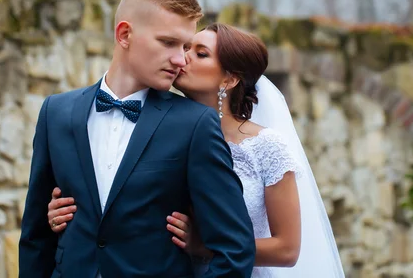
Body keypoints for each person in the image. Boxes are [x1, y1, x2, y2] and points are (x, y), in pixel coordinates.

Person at [48, 23, 346, 277]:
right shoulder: (158, 128)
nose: (182, 58)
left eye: (199, 53)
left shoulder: (267, 147)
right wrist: (70, 214)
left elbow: (287, 249)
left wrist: (206, 245)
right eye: (184, 48)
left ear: (229, 79)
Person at [19, 0, 256, 278]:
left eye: (185, 45)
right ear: (125, 35)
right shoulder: (56, 112)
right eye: (168, 42)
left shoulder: (194, 124)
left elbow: (235, 249)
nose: (180, 59)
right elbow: (35, 237)